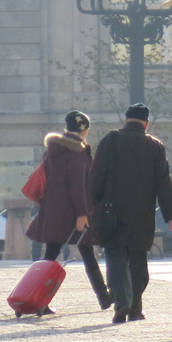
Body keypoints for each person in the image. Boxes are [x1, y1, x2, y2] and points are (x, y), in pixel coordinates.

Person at [88, 103, 172, 324]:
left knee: (116, 259)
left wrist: (91, 205)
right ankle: (136, 308)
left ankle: (122, 304)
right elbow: (163, 183)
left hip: (112, 213)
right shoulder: (155, 146)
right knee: (138, 262)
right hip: (142, 214)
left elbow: (96, 176)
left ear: (126, 120)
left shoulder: (111, 140)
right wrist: (170, 214)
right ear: (146, 123)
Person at [24, 111, 112, 314]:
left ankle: (39, 300)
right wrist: (82, 213)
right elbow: (78, 184)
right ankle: (104, 297)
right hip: (73, 211)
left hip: (53, 210)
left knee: (50, 256)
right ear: (85, 130)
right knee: (88, 254)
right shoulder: (77, 150)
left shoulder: (53, 149)